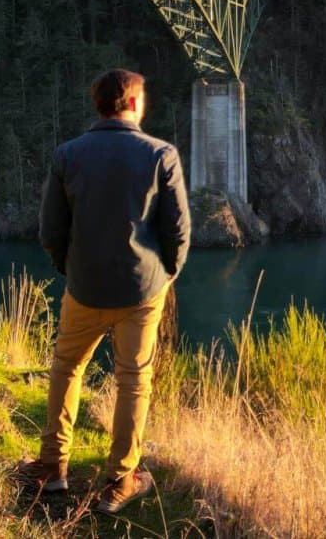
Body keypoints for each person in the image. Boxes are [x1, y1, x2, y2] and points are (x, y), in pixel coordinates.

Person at [15, 69, 191, 514]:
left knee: (66, 369)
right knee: (133, 381)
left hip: (85, 288)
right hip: (141, 291)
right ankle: (120, 481)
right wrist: (166, 274)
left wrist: (70, 269)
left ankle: (52, 469)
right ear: (132, 104)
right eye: (143, 98)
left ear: (100, 105)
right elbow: (178, 231)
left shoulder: (68, 154)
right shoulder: (160, 154)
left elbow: (51, 229)